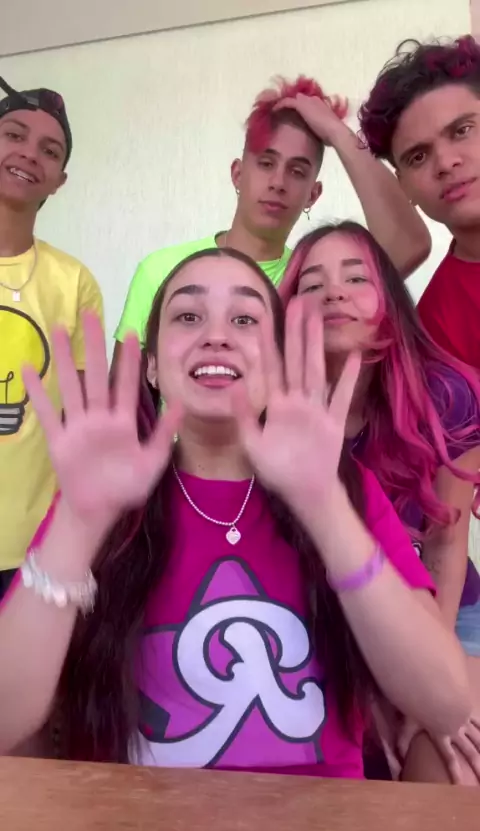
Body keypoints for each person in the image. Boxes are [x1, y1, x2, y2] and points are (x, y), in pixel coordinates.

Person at [15, 247, 469, 774]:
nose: (216, 335)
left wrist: (325, 510)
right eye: (189, 316)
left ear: (278, 365)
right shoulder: (100, 494)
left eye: (245, 319)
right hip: (134, 818)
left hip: (321, 818)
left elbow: (445, 702)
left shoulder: (345, 489)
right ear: (153, 367)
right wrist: (78, 523)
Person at [279, 221, 480, 783]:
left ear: (389, 300)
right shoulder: (268, 412)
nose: (334, 293)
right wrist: (367, 691)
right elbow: (290, 572)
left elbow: (445, 543)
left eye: (356, 278)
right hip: (317, 621)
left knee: (453, 759)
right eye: (311, 284)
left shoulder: (446, 393)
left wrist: (423, 680)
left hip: (445, 610)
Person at [111, 74, 430, 374]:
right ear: (238, 174)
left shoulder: (309, 284)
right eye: (266, 163)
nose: (278, 182)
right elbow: (125, 397)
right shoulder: (161, 270)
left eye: (297, 171)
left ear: (313, 194)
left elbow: (408, 245)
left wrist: (337, 133)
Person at [0, 76, 104, 600]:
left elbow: (85, 422)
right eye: (14, 135)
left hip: (30, 548)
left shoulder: (75, 282)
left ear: (59, 180)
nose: (28, 154)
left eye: (49, 150)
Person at [359, 35, 480, 370]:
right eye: (418, 156)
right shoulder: (436, 329)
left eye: (462, 130)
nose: (445, 162)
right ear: (405, 186)